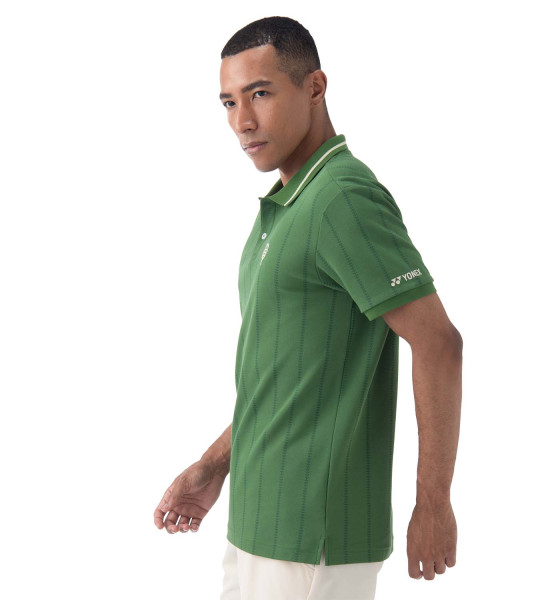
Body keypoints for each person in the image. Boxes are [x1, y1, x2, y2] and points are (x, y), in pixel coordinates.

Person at [154, 16, 463, 600]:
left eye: (260, 94)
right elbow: (288, 379)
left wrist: (433, 503)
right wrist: (215, 464)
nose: (242, 122)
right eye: (229, 102)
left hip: (311, 537)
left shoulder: (342, 198)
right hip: (256, 524)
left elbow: (438, 342)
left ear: (315, 87)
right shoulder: (289, 204)